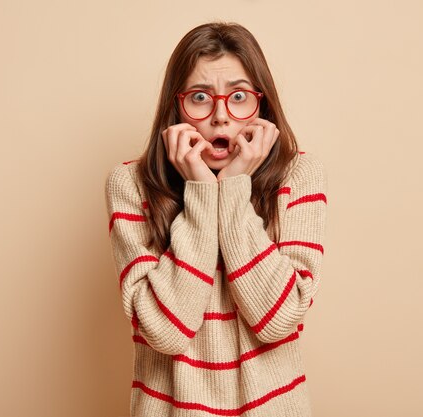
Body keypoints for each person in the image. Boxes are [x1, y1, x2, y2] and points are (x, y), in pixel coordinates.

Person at [104, 21, 328, 417]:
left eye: (238, 96)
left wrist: (235, 185)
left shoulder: (300, 176)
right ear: (176, 106)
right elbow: (165, 331)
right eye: (200, 97)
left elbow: (277, 321)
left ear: (262, 104)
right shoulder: (130, 185)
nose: (221, 117)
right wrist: (203, 192)